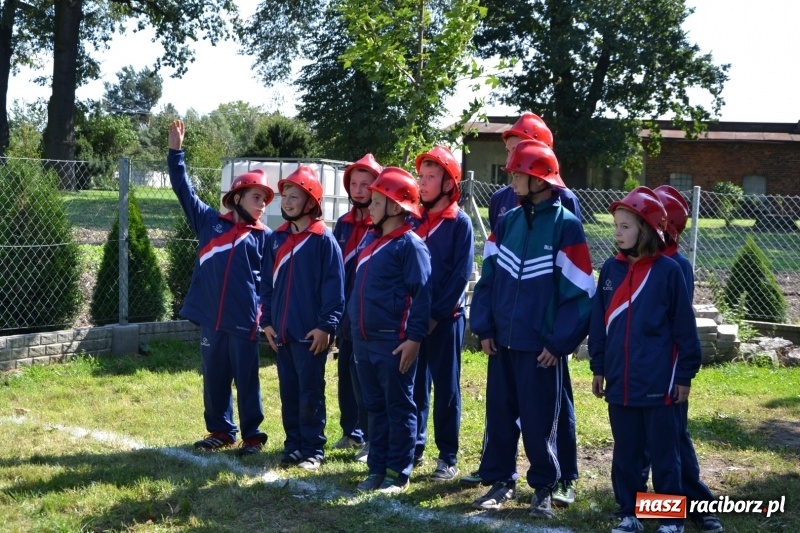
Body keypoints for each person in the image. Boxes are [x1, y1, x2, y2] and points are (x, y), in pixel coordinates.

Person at [469, 140, 595, 518]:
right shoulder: (505, 222)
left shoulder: (566, 226)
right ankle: (500, 480)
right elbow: (488, 279)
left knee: (542, 420)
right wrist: (485, 326)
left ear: (539, 179)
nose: (512, 181)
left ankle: (544, 486)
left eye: (518, 174)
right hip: (502, 344)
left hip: (541, 347)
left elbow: (581, 293)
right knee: (500, 415)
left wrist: (559, 342)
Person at [589, 186, 702, 533]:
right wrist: (598, 366)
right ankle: (630, 513)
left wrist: (683, 375)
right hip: (620, 383)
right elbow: (599, 320)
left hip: (659, 383)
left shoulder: (669, 272)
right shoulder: (610, 269)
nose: (617, 233)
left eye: (625, 227)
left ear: (648, 230)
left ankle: (670, 518)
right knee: (626, 455)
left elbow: (684, 329)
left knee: (665, 456)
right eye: (616, 226)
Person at [167, 119, 271, 456]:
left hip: (245, 320)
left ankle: (253, 435)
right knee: (214, 376)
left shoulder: (265, 238)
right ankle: (221, 431)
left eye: (266, 199)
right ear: (237, 197)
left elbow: (271, 281)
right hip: (212, 318)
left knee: (247, 378)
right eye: (257, 197)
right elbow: (184, 189)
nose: (263, 204)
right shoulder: (209, 222)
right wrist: (175, 152)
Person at [348, 167, 432, 494]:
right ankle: (377, 468)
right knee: (374, 408)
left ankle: (399, 471)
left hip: (394, 343)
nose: (369, 205)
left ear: (396, 207)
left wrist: (413, 339)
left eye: (377, 200)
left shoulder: (410, 245)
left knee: (399, 407)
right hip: (364, 341)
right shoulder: (371, 237)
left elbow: (423, 296)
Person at [260, 166, 345, 471]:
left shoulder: (324, 241)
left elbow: (335, 290)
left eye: (294, 196)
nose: (287, 202)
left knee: (310, 393)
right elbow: (266, 286)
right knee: (289, 392)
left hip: (310, 337)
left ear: (311, 202)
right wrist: (267, 322)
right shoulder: (276, 239)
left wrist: (326, 327)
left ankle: (313, 449)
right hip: (281, 334)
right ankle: (294, 444)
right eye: (284, 196)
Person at [653, 185, 724, 533]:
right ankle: (634, 506)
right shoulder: (627, 264)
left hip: (667, 372)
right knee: (637, 444)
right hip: (637, 370)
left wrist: (681, 373)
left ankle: (695, 505)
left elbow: (678, 327)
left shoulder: (675, 266)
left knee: (673, 439)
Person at [411, 146, 474, 480]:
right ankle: (414, 446)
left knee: (446, 389)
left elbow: (460, 276)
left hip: (446, 321)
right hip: (414, 321)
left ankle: (447, 456)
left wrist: (435, 315)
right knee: (415, 385)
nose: (422, 183)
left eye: (431, 177)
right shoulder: (412, 219)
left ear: (449, 183)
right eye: (421, 176)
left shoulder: (460, 224)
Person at [331, 153, 383, 462]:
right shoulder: (343, 224)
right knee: (345, 372)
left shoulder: (380, 224)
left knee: (365, 376)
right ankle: (350, 431)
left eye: (366, 184)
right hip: (344, 313)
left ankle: (369, 436)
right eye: (354, 183)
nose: (359, 189)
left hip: (368, 314)